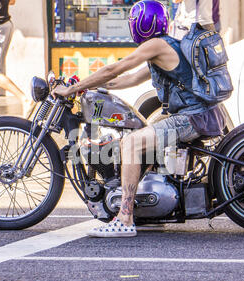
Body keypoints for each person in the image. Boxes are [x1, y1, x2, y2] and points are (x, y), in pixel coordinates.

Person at [52, 0, 226, 237]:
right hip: (197, 115)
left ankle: (125, 218)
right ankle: (150, 209)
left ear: (142, 23)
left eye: (133, 21)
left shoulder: (156, 44)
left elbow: (116, 68)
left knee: (131, 143)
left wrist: (72, 90)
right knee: (142, 130)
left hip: (192, 117)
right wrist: (83, 84)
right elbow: (127, 79)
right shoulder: (163, 47)